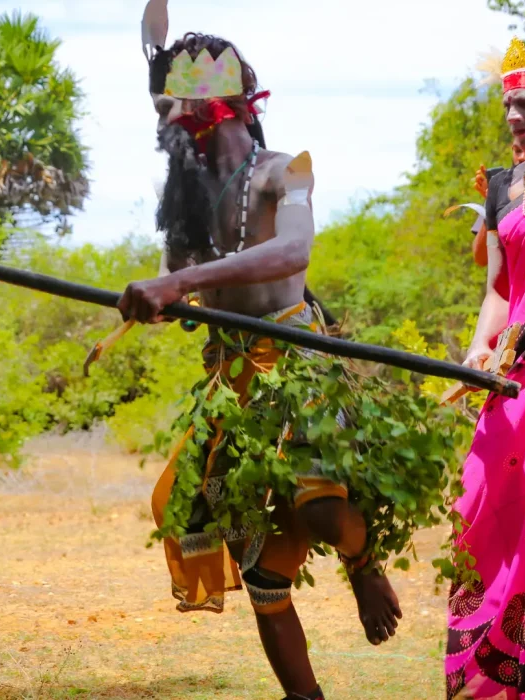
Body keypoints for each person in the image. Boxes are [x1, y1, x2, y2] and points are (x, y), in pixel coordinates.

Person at [119, 5, 402, 698]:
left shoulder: (284, 171)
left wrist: (181, 280)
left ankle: (362, 561)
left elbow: (294, 250)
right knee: (263, 567)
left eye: (183, 119)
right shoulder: (189, 209)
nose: (176, 138)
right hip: (232, 384)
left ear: (230, 111)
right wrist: (154, 304)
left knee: (321, 514)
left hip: (299, 367)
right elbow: (184, 294)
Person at [446, 38, 525, 699]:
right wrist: (477, 353)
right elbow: (501, 291)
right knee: (479, 504)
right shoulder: (503, 187)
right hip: (512, 378)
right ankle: (484, 682)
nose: (514, 116)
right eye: (509, 104)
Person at [470, 141, 525, 267]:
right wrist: (492, 209)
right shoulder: (502, 191)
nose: (522, 157)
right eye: (517, 151)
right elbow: (481, 258)